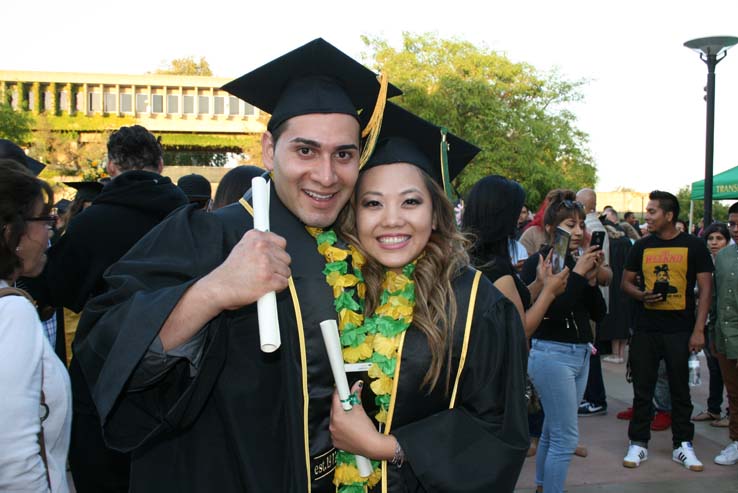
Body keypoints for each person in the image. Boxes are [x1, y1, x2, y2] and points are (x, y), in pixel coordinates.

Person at [72, 38, 401, 492]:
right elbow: (104, 347)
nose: (326, 175)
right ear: (269, 150)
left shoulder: (354, 252)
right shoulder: (206, 236)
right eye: (305, 150)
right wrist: (212, 291)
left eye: (343, 154)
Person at [329, 102, 528, 492]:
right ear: (353, 213)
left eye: (410, 201)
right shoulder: (336, 286)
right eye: (372, 203)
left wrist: (384, 447)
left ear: (436, 213)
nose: (391, 219)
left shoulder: (475, 304)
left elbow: (500, 427)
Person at [34, 125, 189, 492]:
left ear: (110, 167)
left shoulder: (89, 224)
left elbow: (55, 288)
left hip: (103, 377)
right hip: (181, 375)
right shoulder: (191, 219)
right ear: (161, 165)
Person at [463, 175, 569, 461]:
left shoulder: (471, 258)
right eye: (518, 210)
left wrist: (537, 284)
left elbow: (512, 304)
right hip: (496, 383)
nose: (522, 217)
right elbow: (519, 328)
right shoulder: (496, 270)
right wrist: (549, 292)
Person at [521, 191, 606, 493]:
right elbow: (553, 311)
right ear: (549, 228)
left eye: (582, 225)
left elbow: (598, 313)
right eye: (571, 225)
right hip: (551, 354)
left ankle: (544, 486)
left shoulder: (575, 262)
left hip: (580, 352)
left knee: (552, 431)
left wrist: (590, 278)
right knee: (566, 438)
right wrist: (580, 275)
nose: (579, 231)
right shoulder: (539, 262)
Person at [621, 190, 712, 472]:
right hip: (646, 329)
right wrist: (641, 295)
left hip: (680, 330)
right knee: (642, 388)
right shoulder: (641, 246)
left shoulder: (694, 246)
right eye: (647, 211)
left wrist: (698, 330)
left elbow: (706, 290)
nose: (646, 216)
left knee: (679, 390)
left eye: (652, 211)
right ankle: (638, 443)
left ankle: (683, 444)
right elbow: (626, 283)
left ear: (669, 215)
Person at [0, 162, 71, 492]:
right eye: (44, 220)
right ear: (10, 232)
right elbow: (14, 458)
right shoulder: (12, 311)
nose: (50, 233)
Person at [576, 189, 613, 417]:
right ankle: (592, 396)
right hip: (591, 295)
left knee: (589, 348)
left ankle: (595, 397)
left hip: (591, 296)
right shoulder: (594, 227)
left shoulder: (593, 229)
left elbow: (604, 272)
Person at [693, 222, 731, 426]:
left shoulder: (730, 262)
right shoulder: (706, 262)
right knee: (714, 368)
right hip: (708, 321)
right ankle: (714, 408)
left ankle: (730, 413)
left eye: (719, 239)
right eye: (711, 239)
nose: (714, 243)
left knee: (729, 371)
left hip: (727, 324)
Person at [710, 203, 738, 465]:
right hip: (725, 335)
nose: (736, 229)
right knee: (734, 394)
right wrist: (712, 332)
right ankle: (736, 441)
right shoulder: (725, 256)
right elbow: (717, 297)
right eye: (732, 224)